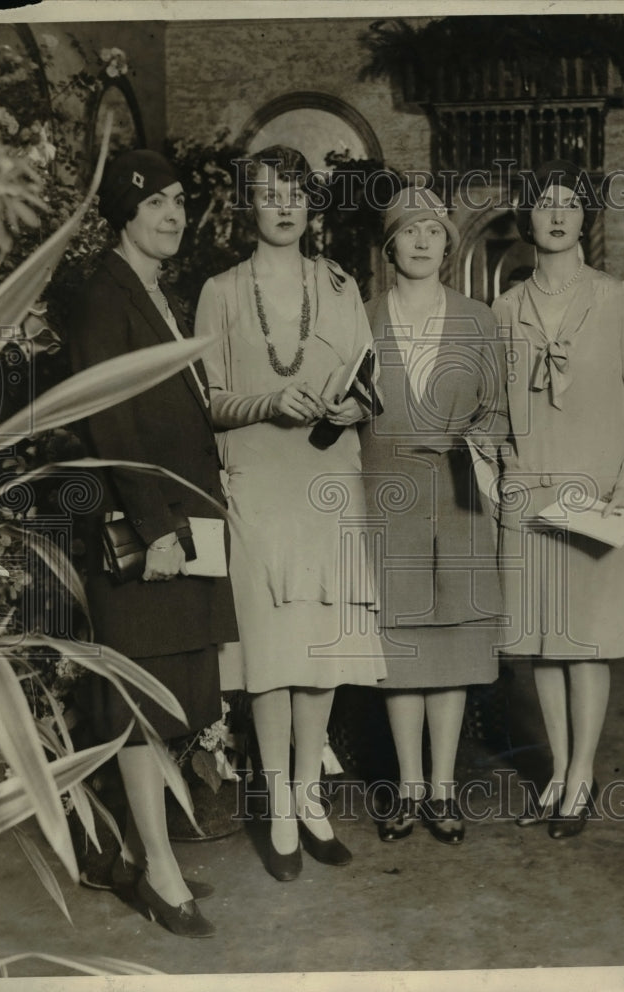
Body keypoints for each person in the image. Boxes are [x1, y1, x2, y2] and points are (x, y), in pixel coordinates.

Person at [194, 145, 385, 881]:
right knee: (270, 655)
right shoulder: (219, 291)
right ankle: (277, 803)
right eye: (268, 193)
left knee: (320, 652)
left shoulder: (338, 285)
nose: (283, 206)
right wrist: (268, 403)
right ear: (249, 204)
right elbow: (205, 401)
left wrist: (350, 404)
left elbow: (372, 386)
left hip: (327, 481)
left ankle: (311, 797)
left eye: (295, 194)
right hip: (257, 487)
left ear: (313, 206)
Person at [69, 149, 238, 935]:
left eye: (178, 202)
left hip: (178, 525)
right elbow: (109, 421)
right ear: (124, 215)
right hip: (143, 537)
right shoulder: (104, 294)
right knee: (140, 701)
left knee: (168, 696)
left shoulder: (150, 291)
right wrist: (156, 530)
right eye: (157, 204)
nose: (173, 215)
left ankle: (140, 857)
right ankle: (159, 873)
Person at [492, 159, 624, 838]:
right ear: (527, 218)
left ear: (584, 217)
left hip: (596, 493)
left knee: (584, 643)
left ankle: (583, 774)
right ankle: (559, 771)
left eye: (569, 204)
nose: (557, 215)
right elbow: (494, 409)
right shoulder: (506, 308)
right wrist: (504, 464)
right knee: (543, 642)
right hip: (529, 492)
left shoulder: (617, 300)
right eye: (543, 204)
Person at [359, 185, 507, 845]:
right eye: (408, 230)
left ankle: (443, 788)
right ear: (390, 244)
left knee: (452, 645)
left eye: (433, 230)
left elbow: (499, 409)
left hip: (460, 496)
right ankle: (408, 787)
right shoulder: (360, 318)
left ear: (448, 244)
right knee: (402, 645)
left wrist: (483, 438)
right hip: (386, 498)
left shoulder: (477, 319)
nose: (422, 240)